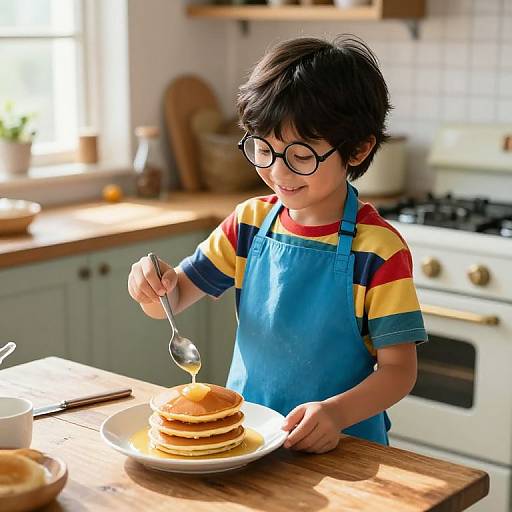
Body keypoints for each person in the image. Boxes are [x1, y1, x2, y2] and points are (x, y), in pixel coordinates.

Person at [128, 35, 427, 454]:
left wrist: (336, 414)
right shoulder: (248, 224)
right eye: (264, 149)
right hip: (246, 439)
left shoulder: (377, 251)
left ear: (357, 150)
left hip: (343, 447)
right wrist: (151, 284)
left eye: (301, 156)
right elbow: (171, 299)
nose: (278, 171)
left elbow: (399, 371)